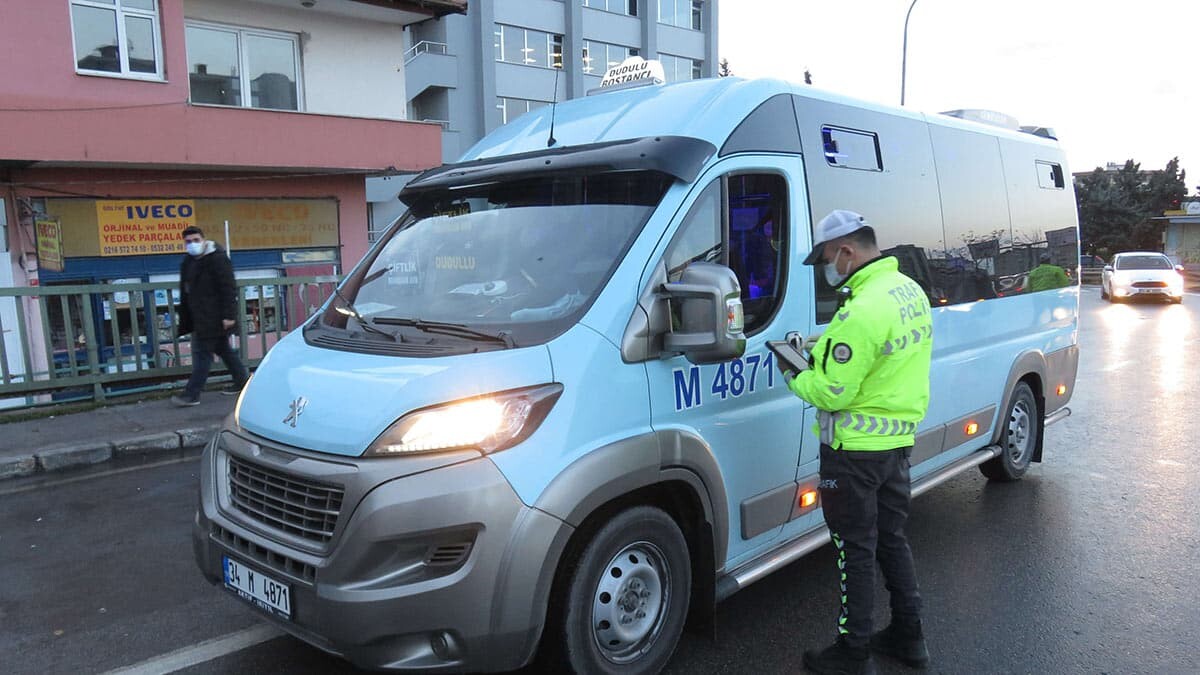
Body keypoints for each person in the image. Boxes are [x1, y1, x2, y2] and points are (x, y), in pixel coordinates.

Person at [781, 210, 934, 675]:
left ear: (845, 251)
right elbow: (876, 361)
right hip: (895, 446)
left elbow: (831, 391)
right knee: (891, 539)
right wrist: (823, 352)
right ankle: (910, 637)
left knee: (855, 549)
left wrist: (795, 372)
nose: (827, 269)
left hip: (853, 454)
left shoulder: (861, 309)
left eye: (827, 258)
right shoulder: (907, 291)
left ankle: (853, 652)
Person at [170, 226, 248, 406]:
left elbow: (228, 288)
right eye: (188, 242)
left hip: (214, 317)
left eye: (196, 240)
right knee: (224, 351)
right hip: (200, 316)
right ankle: (243, 382)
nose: (192, 244)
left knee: (201, 354)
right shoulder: (189, 261)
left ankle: (191, 394)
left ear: (204, 240)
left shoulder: (218, 259)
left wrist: (229, 315)